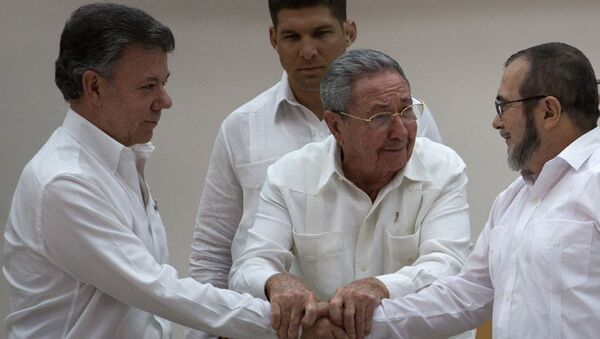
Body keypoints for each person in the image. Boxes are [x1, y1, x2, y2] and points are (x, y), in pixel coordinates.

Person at [2, 4, 279, 338]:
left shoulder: (120, 162)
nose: (165, 100)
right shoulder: (65, 181)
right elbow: (158, 289)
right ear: (94, 87)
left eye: (163, 83)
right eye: (148, 86)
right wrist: (286, 322)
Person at [188, 0, 443, 307]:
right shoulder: (242, 128)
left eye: (321, 33)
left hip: (391, 322)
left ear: (349, 33)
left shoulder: (407, 119)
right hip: (277, 327)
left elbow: (440, 244)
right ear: (273, 39)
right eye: (292, 37)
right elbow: (213, 248)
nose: (307, 51)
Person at [229, 49, 473, 339]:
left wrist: (380, 287)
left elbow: (447, 266)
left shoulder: (443, 169)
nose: (401, 132)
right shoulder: (289, 176)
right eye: (381, 117)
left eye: (407, 111)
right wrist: (276, 282)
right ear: (336, 127)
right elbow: (249, 266)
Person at [365, 42, 600, 338]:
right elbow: (468, 295)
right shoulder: (513, 199)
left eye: (504, 105)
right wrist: (362, 324)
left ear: (549, 111)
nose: (496, 122)